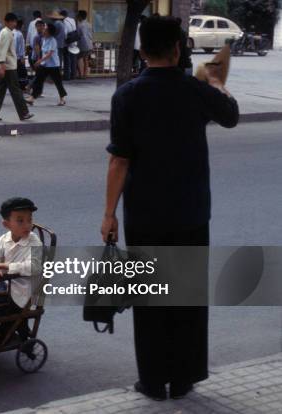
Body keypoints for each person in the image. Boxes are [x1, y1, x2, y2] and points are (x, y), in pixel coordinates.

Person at [101, 16, 239, 401]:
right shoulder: (194, 90)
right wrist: (214, 82)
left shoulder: (126, 95)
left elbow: (119, 162)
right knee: (187, 296)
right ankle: (183, 378)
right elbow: (231, 115)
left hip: (145, 216)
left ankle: (153, 380)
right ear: (178, 50)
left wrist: (109, 214)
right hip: (191, 214)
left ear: (142, 51)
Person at [0, 197, 42, 345]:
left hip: (21, 293)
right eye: (20, 221)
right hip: (3, 287)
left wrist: (7, 266)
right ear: (6, 224)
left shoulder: (34, 242)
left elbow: (36, 266)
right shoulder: (3, 239)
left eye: (29, 220)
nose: (27, 225)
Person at [0, 13, 33, 123]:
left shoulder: (5, 32)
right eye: (12, 21)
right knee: (16, 90)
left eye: (15, 21)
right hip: (8, 67)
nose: (14, 23)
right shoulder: (7, 33)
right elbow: (3, 51)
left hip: (5, 66)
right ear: (7, 22)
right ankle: (24, 113)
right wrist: (2, 66)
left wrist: (0, 66)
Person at [26, 22, 67, 106]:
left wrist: (39, 61)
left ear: (49, 32)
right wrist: (40, 60)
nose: (43, 30)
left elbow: (49, 54)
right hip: (45, 64)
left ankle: (62, 99)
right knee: (38, 80)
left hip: (53, 65)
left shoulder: (53, 40)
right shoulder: (44, 39)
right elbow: (43, 52)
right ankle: (32, 98)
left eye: (45, 29)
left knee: (58, 82)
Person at [48, 11, 66, 78]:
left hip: (56, 45)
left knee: (55, 61)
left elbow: (52, 33)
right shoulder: (61, 23)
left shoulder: (56, 24)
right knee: (59, 60)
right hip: (61, 44)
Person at [76, 10, 93, 79]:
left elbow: (78, 35)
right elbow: (91, 34)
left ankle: (80, 74)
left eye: (78, 15)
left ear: (80, 16)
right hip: (89, 44)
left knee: (78, 59)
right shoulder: (89, 24)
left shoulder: (79, 25)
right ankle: (85, 75)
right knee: (86, 59)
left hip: (82, 44)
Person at [60, 10, 77, 80]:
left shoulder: (64, 22)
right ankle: (73, 75)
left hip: (68, 42)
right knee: (73, 59)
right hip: (74, 41)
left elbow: (65, 33)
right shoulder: (72, 20)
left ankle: (67, 76)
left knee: (67, 59)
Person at [14, 19, 28, 90]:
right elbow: (21, 47)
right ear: (21, 25)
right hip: (18, 57)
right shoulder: (19, 34)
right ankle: (22, 87)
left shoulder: (12, 32)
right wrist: (22, 57)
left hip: (13, 56)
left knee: (16, 72)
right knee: (22, 73)